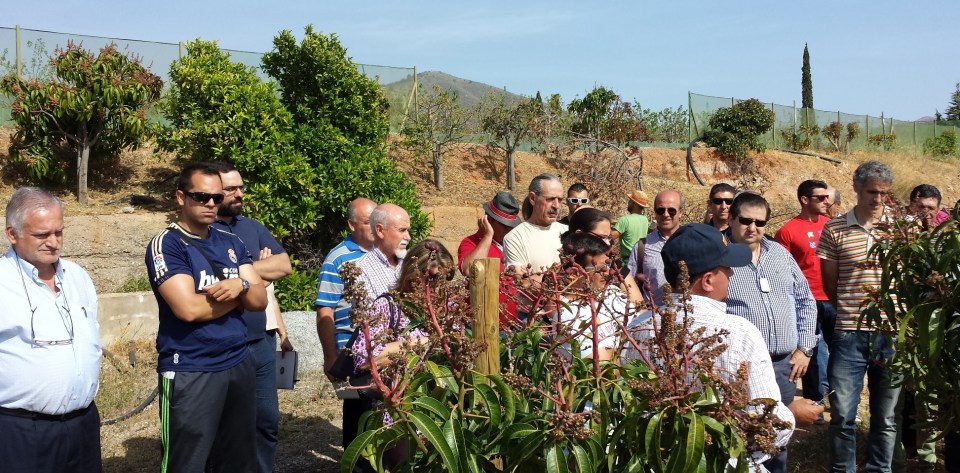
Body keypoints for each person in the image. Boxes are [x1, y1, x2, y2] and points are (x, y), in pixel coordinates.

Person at [623, 223, 822, 467]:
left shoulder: (637, 327)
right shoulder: (739, 332)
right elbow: (767, 427)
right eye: (726, 269)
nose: (731, 274)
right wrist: (791, 414)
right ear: (707, 280)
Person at [145, 162, 268, 472]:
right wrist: (241, 296)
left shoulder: (231, 241)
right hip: (192, 367)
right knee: (188, 463)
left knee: (238, 461)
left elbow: (259, 300)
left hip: (238, 362)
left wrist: (239, 287)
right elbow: (188, 309)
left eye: (216, 197)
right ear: (181, 197)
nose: (211, 204)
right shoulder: (168, 244)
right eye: (201, 196)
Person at [0, 188, 102, 473]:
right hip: (20, 432)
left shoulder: (78, 276)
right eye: (42, 235)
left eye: (59, 232)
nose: (53, 242)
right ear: (12, 233)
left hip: (83, 425)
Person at [725, 192, 817, 473]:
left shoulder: (779, 254)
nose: (753, 228)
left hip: (782, 366)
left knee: (777, 438)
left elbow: (806, 300)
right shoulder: (720, 257)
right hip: (741, 369)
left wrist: (805, 348)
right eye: (746, 220)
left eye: (760, 222)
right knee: (741, 436)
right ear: (731, 218)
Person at [818, 160, 901, 472]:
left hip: (891, 333)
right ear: (856, 187)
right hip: (849, 332)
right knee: (842, 413)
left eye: (883, 193)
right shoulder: (835, 229)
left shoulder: (900, 229)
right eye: (871, 192)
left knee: (886, 416)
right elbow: (830, 282)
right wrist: (850, 311)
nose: (877, 199)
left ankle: (880, 468)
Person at [211, 162, 292, 473]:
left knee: (266, 421)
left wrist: (240, 276)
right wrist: (256, 273)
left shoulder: (252, 227)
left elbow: (284, 265)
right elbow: (211, 281)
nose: (239, 193)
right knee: (226, 426)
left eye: (240, 187)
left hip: (261, 341)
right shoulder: (204, 232)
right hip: (224, 342)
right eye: (231, 189)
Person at [314, 197, 377, 473]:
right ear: (352, 224)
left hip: (385, 351)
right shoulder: (338, 258)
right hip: (353, 353)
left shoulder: (388, 254)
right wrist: (330, 356)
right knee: (359, 417)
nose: (375, 228)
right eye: (367, 222)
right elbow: (324, 309)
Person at [775, 180, 834, 411]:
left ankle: (842, 406)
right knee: (815, 356)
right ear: (804, 200)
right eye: (820, 197)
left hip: (833, 298)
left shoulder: (832, 226)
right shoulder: (788, 231)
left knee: (841, 355)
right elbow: (782, 269)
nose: (826, 201)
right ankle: (815, 406)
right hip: (807, 303)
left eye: (826, 197)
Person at [627, 190, 684, 307]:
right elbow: (630, 284)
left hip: (684, 316)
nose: (666, 214)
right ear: (655, 212)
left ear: (681, 212)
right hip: (651, 317)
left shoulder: (692, 242)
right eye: (660, 210)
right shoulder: (642, 246)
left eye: (671, 210)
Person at [504, 173, 568, 274]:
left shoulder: (568, 232)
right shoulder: (515, 238)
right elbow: (522, 282)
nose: (556, 206)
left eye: (559, 200)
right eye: (550, 199)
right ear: (533, 198)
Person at [457, 191, 521, 275]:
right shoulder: (470, 242)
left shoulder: (515, 243)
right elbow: (469, 271)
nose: (510, 230)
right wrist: (487, 236)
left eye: (512, 226)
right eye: (505, 226)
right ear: (488, 220)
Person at [612, 190, 650, 261]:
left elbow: (611, 236)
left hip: (629, 259)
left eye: (630, 201)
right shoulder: (644, 220)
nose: (628, 203)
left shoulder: (625, 220)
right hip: (641, 258)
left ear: (634, 204)